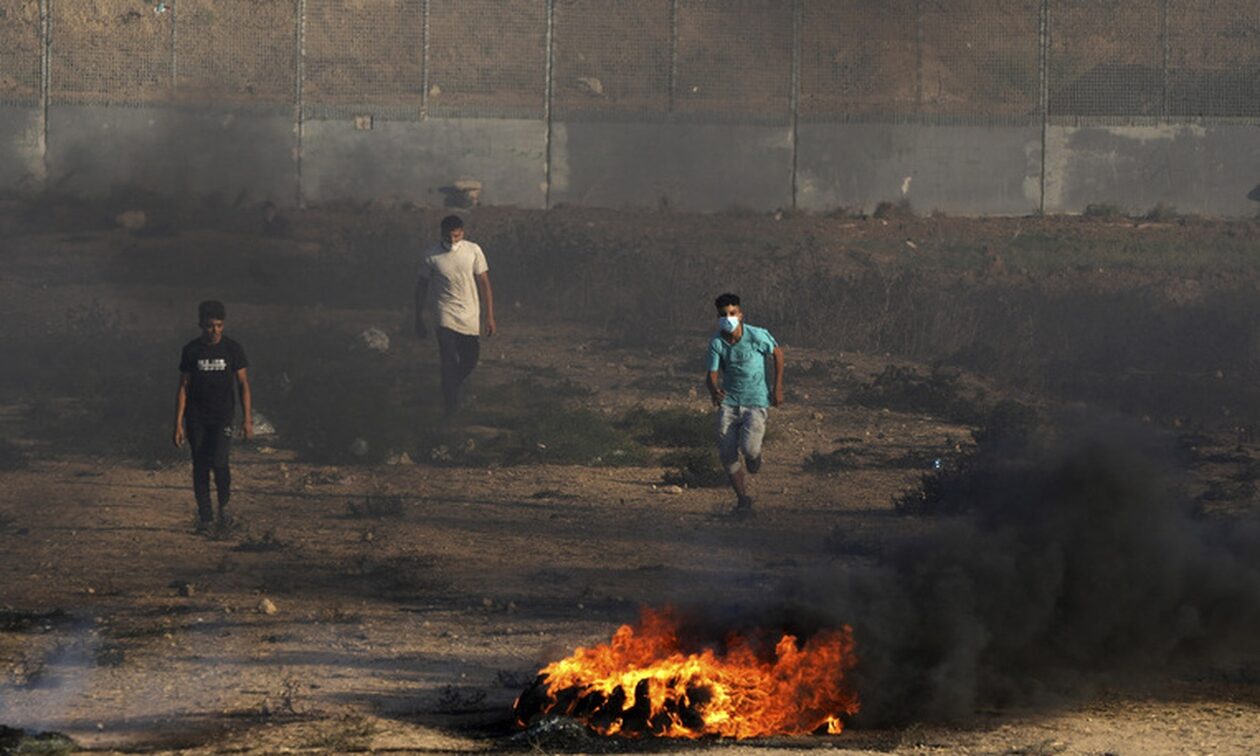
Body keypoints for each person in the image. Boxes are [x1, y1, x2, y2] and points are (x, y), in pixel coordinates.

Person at [173, 300, 253, 535]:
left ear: (223, 325)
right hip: (196, 417)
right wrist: (178, 423)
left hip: (223, 417)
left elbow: (243, 384)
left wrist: (247, 419)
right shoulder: (191, 350)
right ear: (200, 325)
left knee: (219, 463)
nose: (214, 331)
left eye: (218, 325)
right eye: (209, 326)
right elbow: (183, 387)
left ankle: (224, 508)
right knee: (200, 466)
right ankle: (206, 518)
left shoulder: (232, 349)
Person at [706, 293, 784, 517]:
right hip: (729, 403)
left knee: (749, 449)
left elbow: (778, 354)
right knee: (726, 453)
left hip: (756, 400)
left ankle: (754, 457)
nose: (727, 318)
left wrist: (777, 388)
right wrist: (714, 389)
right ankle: (743, 499)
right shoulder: (717, 343)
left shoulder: (757, 336)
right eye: (723, 315)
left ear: (740, 315)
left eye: (732, 313)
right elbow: (711, 374)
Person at [414, 215, 497, 414]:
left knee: (470, 359)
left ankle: (450, 385)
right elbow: (421, 287)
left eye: (456, 236)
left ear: (462, 232)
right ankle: (450, 408)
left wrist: (489, 316)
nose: (453, 241)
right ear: (441, 233)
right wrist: (418, 317)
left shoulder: (473, 250)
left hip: (469, 314)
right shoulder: (431, 256)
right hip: (445, 314)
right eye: (449, 236)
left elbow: (484, 283)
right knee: (448, 357)